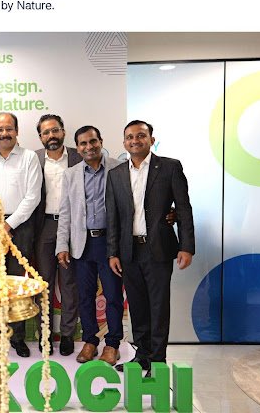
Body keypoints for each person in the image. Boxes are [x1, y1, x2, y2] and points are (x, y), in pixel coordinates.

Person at [106, 120, 195, 375]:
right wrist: (112, 252)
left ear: (151, 140)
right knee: (137, 307)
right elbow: (113, 216)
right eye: (130, 137)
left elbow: (183, 209)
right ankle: (142, 356)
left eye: (141, 136)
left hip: (158, 249)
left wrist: (187, 246)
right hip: (128, 251)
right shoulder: (116, 174)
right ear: (124, 142)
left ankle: (157, 362)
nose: (135, 140)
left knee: (158, 306)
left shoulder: (169, 167)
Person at [56, 125, 124, 365]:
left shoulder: (118, 168)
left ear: (101, 141)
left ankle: (113, 344)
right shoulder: (71, 174)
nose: (89, 147)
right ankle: (90, 341)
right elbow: (65, 212)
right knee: (84, 296)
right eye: (83, 143)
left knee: (113, 295)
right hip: (82, 244)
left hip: (110, 244)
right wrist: (62, 246)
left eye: (93, 141)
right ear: (78, 147)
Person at [0, 112, 42, 357]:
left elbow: (32, 197)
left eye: (8, 129)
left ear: (16, 131)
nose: (4, 133)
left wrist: (8, 225)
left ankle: (17, 338)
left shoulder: (29, 158)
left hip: (21, 227)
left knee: (16, 284)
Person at [33, 114, 82, 356]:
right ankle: (45, 335)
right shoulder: (34, 159)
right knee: (44, 283)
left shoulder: (78, 156)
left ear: (63, 132)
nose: (51, 136)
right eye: (46, 132)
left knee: (69, 283)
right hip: (44, 227)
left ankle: (67, 334)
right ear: (40, 137)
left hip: (72, 227)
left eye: (55, 130)